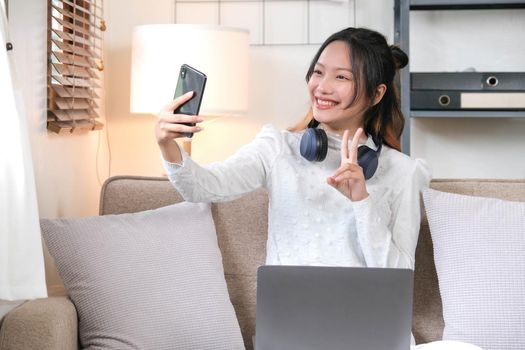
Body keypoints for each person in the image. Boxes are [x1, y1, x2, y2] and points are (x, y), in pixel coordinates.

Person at [155, 27, 481, 350]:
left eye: (342, 77)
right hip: (292, 337)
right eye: (318, 72)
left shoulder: (402, 171)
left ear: (377, 93)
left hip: (373, 339)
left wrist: (362, 202)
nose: (322, 87)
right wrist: (167, 144)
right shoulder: (277, 148)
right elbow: (203, 188)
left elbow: (397, 281)